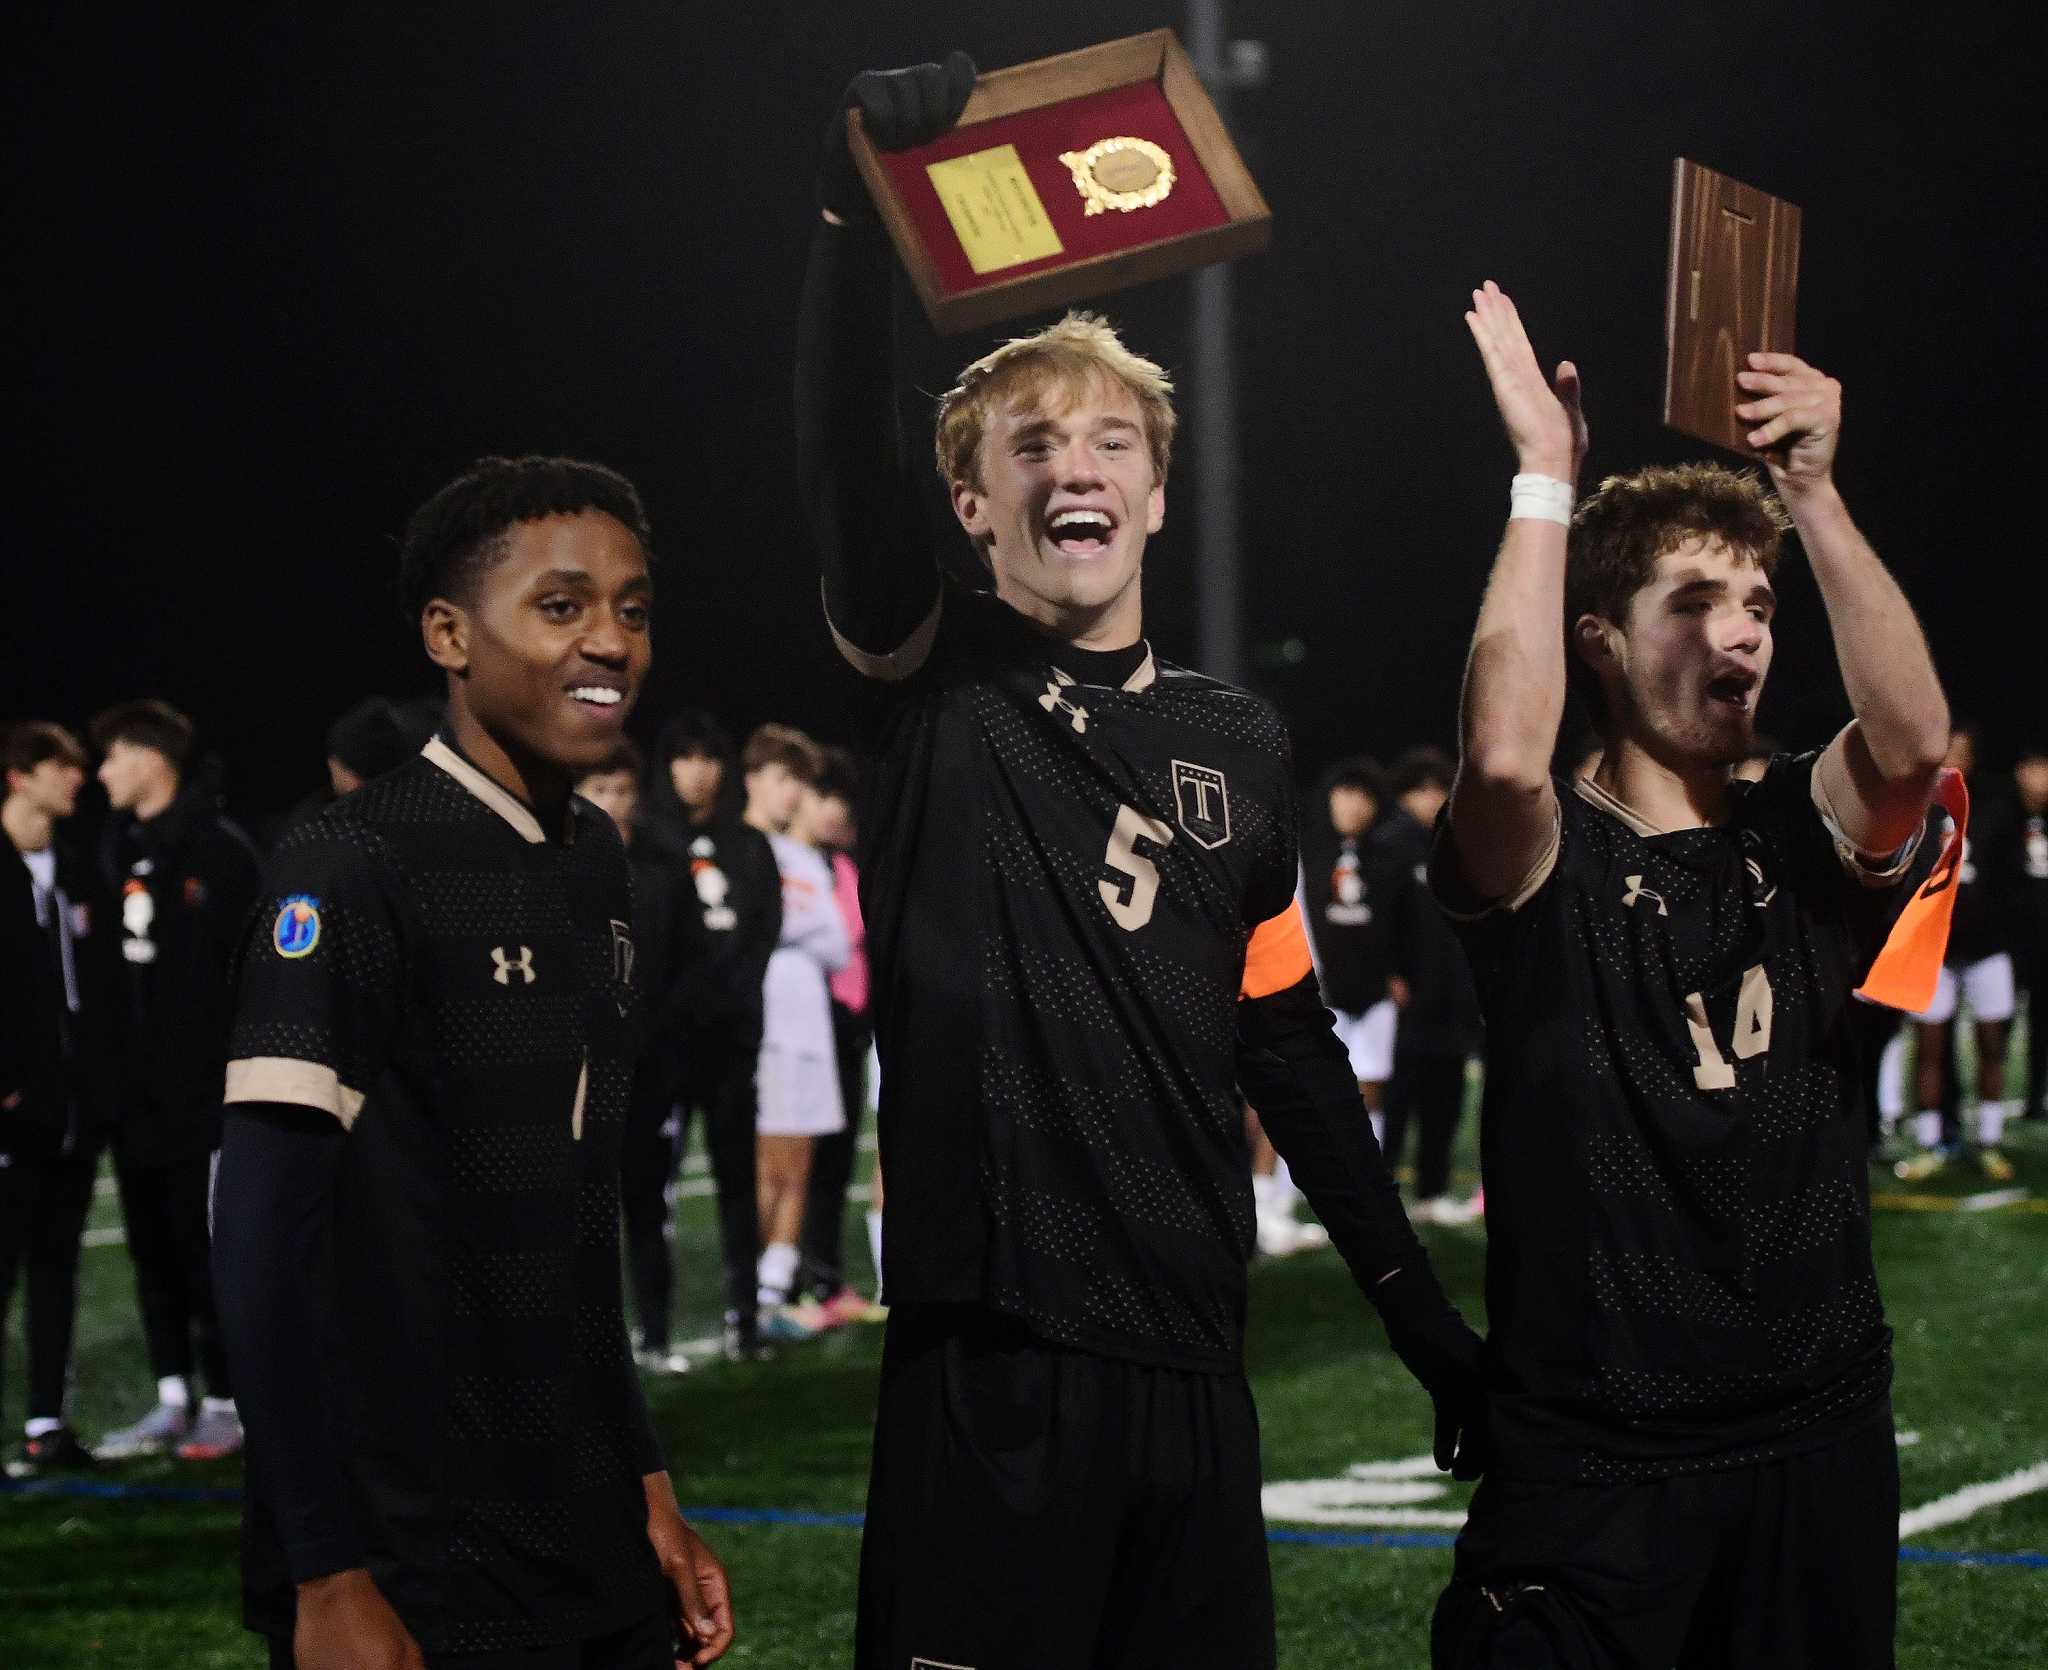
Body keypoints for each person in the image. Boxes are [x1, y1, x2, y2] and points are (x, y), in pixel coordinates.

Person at [801, 54, 1483, 1670]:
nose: (1071, 467)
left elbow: (1285, 1046)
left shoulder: (1238, 743)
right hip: (993, 1359)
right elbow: (843, 451)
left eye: (1107, 441)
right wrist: (849, 213)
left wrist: (1426, 1327)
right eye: (1025, 447)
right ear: (969, 506)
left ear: (1159, 492)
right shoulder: (932, 681)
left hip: (1191, 1353)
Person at [1432, 281, 1952, 1668]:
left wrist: (1817, 495)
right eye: (1696, 602)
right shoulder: (1548, 854)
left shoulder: (1798, 818)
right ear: (1600, 638)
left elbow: (1911, 741)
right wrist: (1547, 480)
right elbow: (1497, 755)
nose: (1744, 633)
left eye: (1759, 602)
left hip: (1814, 1433)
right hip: (1598, 1461)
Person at [210, 455, 732, 1669]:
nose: (610, 640)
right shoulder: (350, 861)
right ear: (449, 633)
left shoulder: (596, 856)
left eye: (633, 608)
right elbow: (261, 1242)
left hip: (582, 1532)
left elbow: (575, 1219)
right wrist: (326, 1569)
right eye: (561, 607)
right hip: (413, 1561)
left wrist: (645, 1479)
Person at [91, 697, 260, 1462]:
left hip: (205, 1103)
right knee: (152, 1252)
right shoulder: (116, 849)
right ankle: (172, 1397)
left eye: (113, 756)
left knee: (208, 1253)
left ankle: (229, 1399)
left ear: (152, 758)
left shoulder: (220, 852)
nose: (102, 773)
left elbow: (249, 977)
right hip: (135, 1102)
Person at [1, 723, 122, 1474]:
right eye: (61, 767)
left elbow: (103, 994)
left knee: (56, 1268)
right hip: (13, 1112)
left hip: (75, 1112)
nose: (76, 780)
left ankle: (48, 1423)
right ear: (19, 776)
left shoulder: (79, 871)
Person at [650, 709, 782, 1359]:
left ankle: (747, 1321)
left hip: (732, 1046)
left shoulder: (748, 846)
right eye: (684, 757)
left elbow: (764, 934)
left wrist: (739, 1007)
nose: (696, 771)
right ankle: (652, 1328)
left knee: (736, 1181)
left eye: (708, 758)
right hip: (667, 1049)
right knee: (653, 1191)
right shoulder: (648, 844)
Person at [578, 739, 699, 1376]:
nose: (613, 804)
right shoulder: (555, 859)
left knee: (648, 1206)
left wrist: (660, 1043)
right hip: (580, 1071)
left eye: (622, 791)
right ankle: (592, 1341)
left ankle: (655, 1334)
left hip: (650, 1068)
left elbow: (687, 961)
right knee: (583, 1215)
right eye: (600, 791)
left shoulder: (663, 861)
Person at [740, 724, 850, 1334]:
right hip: (770, 1025)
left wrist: (796, 927)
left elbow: (836, 944)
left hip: (813, 1024)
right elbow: (761, 930)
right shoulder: (740, 846)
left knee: (802, 1163)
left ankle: (775, 1295)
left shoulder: (804, 857)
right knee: (770, 1165)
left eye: (799, 784)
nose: (793, 795)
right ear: (755, 779)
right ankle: (751, 1289)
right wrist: (798, 928)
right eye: (786, 780)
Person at [1894, 725, 2019, 1180]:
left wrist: (2003, 933)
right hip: (1935, 950)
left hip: (1987, 948)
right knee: (1929, 1048)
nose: (1953, 758)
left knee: (1991, 1044)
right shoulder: (1915, 810)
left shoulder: (1993, 811)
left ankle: (1988, 1141)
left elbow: (2011, 879)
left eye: (1962, 751)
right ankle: (1931, 1144)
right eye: (1947, 749)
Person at [794, 746, 880, 1322]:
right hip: (804, 1028)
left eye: (840, 800)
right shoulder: (789, 866)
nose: (833, 811)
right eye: (824, 797)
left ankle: (825, 1281)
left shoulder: (844, 866)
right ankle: (790, 1281)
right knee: (798, 1163)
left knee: (836, 1162)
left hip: (850, 1030)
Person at [1381, 747, 1483, 1224]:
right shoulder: (1389, 845)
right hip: (1404, 1001)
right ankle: (1379, 1193)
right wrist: (1388, 973)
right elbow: (1377, 923)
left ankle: (1433, 1190)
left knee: (1445, 1095)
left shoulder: (1453, 845)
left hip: (1451, 997)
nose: (1430, 798)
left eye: (1438, 789)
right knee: (1397, 1097)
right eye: (1420, 789)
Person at [1300, 755, 1404, 1143]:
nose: (1353, 806)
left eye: (1364, 797)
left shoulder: (1388, 858)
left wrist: (1398, 973)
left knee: (1371, 1082)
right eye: (1345, 794)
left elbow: (1401, 925)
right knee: (1310, 1084)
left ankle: (1366, 1169)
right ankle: (1283, 1184)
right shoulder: (1307, 853)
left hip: (1374, 991)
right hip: (1318, 990)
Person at [2015, 738, 2048, 1119]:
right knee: (1998, 1024)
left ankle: (2035, 1097)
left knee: (2041, 1023)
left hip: (2044, 944)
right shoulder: (2004, 817)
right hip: (2015, 941)